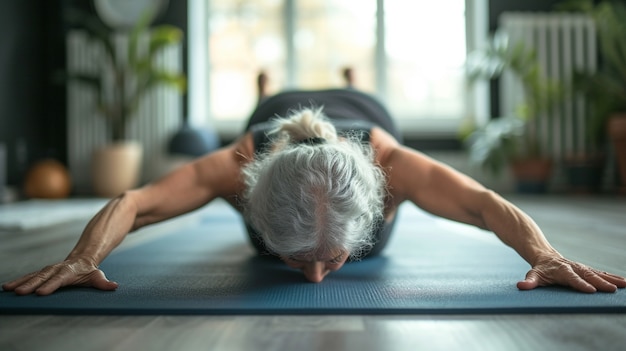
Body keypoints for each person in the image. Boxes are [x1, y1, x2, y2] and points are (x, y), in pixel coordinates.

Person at [3, 88, 625, 295]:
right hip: (275, 117)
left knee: (362, 99)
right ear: (248, 205)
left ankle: (352, 83)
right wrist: (85, 256)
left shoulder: (393, 164)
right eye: (300, 257)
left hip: (363, 115)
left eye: (333, 257)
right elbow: (135, 202)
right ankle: (269, 86)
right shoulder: (238, 163)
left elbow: (487, 203)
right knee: (270, 102)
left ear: (381, 203)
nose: (316, 282)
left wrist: (544, 254)